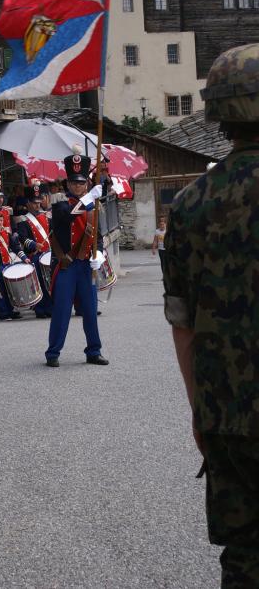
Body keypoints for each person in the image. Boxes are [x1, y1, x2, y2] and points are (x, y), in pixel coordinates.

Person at [163, 43, 259, 589]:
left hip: (229, 414)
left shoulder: (190, 204)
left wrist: (201, 410)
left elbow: (182, 323)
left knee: (245, 553)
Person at [45, 151, 109, 367]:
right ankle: (53, 352)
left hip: (85, 265)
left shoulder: (93, 207)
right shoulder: (59, 202)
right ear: (67, 184)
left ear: (86, 183)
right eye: (73, 182)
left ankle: (94, 351)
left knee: (90, 310)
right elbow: (66, 216)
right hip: (67, 264)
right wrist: (89, 198)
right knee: (62, 310)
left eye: (81, 183)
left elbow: (97, 237)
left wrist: (99, 253)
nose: (77, 186)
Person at [16, 183, 52, 318]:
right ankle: (41, 309)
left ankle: (51, 307)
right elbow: (22, 238)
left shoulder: (47, 216)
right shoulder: (23, 219)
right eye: (34, 203)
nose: (37, 205)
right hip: (35, 255)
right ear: (28, 203)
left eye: (38, 202)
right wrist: (33, 244)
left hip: (48, 253)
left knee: (51, 282)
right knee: (40, 282)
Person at [0, 211, 29, 320]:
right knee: (0, 290)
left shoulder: (6, 233)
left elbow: (15, 247)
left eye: (1, 220)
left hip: (8, 265)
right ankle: (3, 312)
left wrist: (24, 258)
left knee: (9, 289)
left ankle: (11, 310)